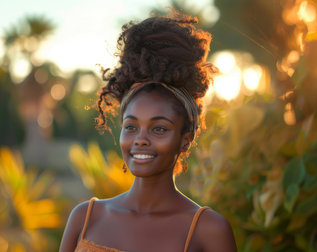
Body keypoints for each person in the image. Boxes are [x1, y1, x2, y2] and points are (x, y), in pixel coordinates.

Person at [60, 9, 237, 252]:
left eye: (159, 129)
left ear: (185, 141)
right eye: (131, 126)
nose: (140, 140)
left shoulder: (208, 230)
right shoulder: (86, 218)